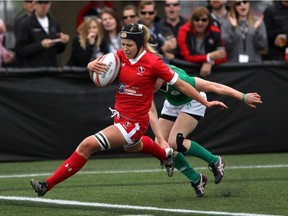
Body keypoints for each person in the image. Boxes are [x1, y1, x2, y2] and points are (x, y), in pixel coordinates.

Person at [30, 23, 227, 197]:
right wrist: (90, 66)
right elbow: (98, 79)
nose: (125, 49)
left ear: (141, 44)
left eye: (129, 45)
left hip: (133, 123)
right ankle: (188, 172)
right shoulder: (119, 56)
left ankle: (47, 185)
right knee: (132, 147)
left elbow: (182, 85)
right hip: (120, 116)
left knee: (87, 145)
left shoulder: (154, 63)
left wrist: (205, 102)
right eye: (123, 44)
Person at [149, 64, 263, 197]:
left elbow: (214, 86)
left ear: (162, 74)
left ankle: (214, 160)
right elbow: (150, 111)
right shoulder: (146, 79)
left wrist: (243, 96)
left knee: (175, 142)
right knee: (160, 145)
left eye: (155, 79)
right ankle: (197, 179)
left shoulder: (179, 78)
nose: (152, 83)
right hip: (172, 104)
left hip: (194, 101)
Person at [15, 1, 70, 68]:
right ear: (34, 5)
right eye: (40, 3)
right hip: (34, 71)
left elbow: (58, 50)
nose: (43, 6)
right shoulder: (25, 24)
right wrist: (40, 45)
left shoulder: (54, 22)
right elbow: (20, 50)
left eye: (46, 3)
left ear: (50, 4)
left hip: (52, 70)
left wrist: (63, 41)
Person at [177, 6, 227, 77]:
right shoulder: (184, 31)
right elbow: (187, 56)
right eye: (197, 19)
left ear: (209, 21)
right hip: (187, 70)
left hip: (210, 73)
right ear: (192, 20)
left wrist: (210, 62)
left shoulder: (215, 31)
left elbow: (222, 55)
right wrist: (209, 57)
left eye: (204, 20)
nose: (200, 23)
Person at [13, 0, 35, 67]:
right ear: (24, 5)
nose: (33, 4)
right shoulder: (19, 22)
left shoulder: (50, 20)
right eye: (30, 1)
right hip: (24, 63)